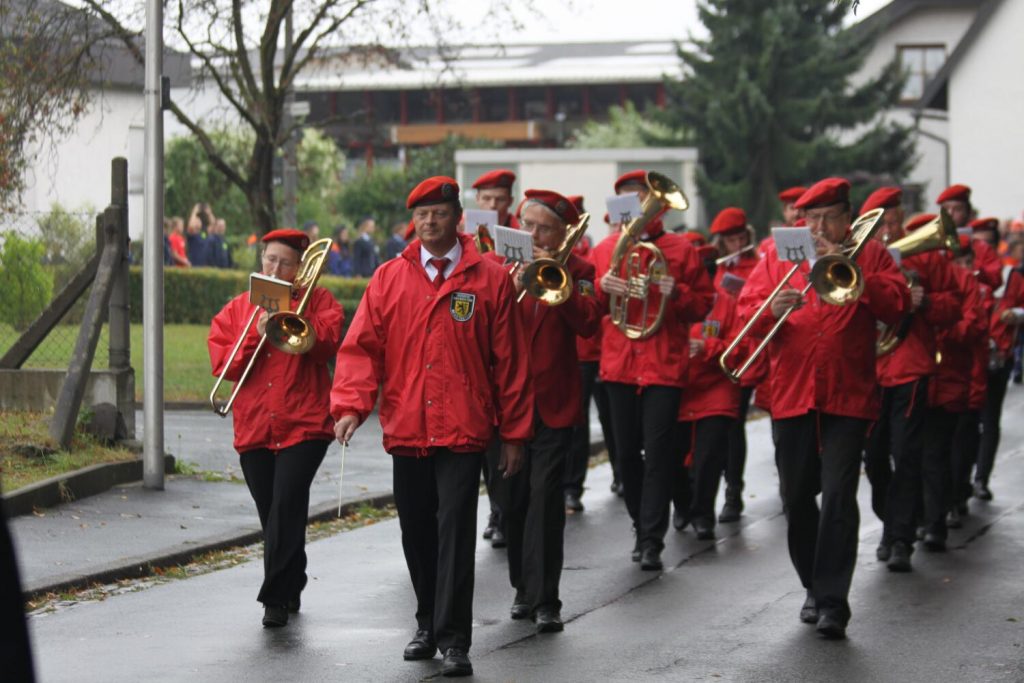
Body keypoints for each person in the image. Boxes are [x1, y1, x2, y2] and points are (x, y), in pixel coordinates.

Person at [331, 176, 533, 678]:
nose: (429, 221)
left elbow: (510, 363)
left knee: (455, 529)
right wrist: (351, 405)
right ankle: (426, 621)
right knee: (416, 528)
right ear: (413, 221)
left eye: (438, 213)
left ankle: (455, 639)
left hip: (465, 428)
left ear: (456, 216)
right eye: (421, 215)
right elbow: (362, 347)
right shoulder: (388, 278)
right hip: (408, 425)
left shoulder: (488, 278)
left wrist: (514, 434)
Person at [738, 177, 909, 639]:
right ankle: (813, 585)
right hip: (791, 393)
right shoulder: (778, 257)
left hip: (847, 394)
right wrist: (773, 308)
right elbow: (744, 311)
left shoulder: (869, 253)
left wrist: (854, 272)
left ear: (846, 218)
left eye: (825, 218)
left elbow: (898, 307)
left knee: (837, 495)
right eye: (809, 219)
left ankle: (833, 601)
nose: (815, 227)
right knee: (796, 498)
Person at [207, 228, 344, 628]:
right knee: (273, 512)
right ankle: (292, 576)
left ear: (301, 267)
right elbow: (225, 366)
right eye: (270, 260)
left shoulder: (320, 302)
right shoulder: (238, 309)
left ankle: (275, 599)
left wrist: (292, 324)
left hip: (305, 424)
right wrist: (256, 330)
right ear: (261, 261)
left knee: (286, 503)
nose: (276, 267)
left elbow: (327, 344)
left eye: (285, 262)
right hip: (254, 427)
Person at [489, 189, 600, 632]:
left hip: (553, 404)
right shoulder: (495, 268)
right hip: (502, 404)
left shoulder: (580, 269)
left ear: (561, 234)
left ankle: (546, 599)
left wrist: (560, 284)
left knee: (545, 502)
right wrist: (510, 288)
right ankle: (523, 587)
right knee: (511, 502)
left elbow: (591, 323)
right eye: (527, 225)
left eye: (543, 228)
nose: (532, 234)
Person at [594, 168, 715, 571]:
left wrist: (674, 291)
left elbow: (702, 305)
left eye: (642, 198)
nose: (638, 208)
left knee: (660, 453)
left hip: (663, 364)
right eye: (629, 199)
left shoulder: (680, 249)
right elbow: (590, 309)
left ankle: (651, 539)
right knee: (626, 453)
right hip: (618, 364)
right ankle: (639, 522)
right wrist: (602, 289)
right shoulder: (606, 249)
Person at [859, 186, 962, 570]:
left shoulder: (928, 257)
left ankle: (900, 538)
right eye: (882, 222)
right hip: (869, 370)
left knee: (906, 454)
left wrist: (927, 302)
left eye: (894, 220)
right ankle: (893, 524)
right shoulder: (861, 257)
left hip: (909, 365)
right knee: (874, 457)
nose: (889, 229)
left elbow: (954, 306)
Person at [672, 244, 741, 539]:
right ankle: (683, 504)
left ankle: (703, 513)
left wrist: (708, 347)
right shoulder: (671, 299)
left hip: (716, 389)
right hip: (678, 388)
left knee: (709, 457)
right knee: (671, 458)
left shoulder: (726, 302)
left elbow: (741, 347)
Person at [708, 207, 760, 523]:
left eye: (740, 238)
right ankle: (715, 492)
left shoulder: (757, 265)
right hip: (716, 351)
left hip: (744, 351)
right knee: (720, 427)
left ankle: (733, 493)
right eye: (730, 240)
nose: (735, 243)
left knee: (734, 424)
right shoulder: (713, 267)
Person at [974, 247, 1024, 499]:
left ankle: (981, 478)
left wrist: (1015, 314)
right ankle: (962, 480)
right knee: (968, 423)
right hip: (970, 358)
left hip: (998, 358)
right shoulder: (963, 271)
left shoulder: (1011, 275)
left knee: (990, 420)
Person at [937, 184, 1003, 289]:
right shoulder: (935, 245)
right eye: (945, 209)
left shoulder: (982, 248)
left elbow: (996, 279)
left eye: (957, 209)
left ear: (968, 213)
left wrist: (973, 270)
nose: (950, 213)